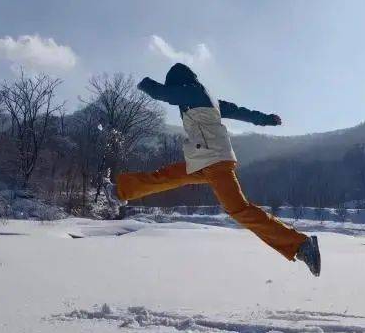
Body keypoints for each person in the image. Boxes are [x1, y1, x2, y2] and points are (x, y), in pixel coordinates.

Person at [104, 62, 321, 276]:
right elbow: (238, 111)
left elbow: (160, 93)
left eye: (175, 87)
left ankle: (301, 244)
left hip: (213, 161)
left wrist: (141, 82)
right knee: (165, 177)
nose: (176, 93)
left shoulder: (192, 92)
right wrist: (264, 119)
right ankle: (119, 191)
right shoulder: (208, 99)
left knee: (239, 209)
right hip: (203, 161)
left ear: (180, 83)